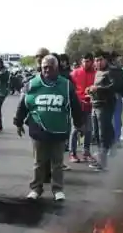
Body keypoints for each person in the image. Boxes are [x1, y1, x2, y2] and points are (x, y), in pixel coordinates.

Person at [13, 54, 84, 201]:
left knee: (57, 163)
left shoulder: (66, 85)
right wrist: (18, 122)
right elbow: (23, 104)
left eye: (50, 67)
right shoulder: (32, 84)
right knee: (39, 162)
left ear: (56, 68)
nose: (46, 70)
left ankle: (57, 189)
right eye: (44, 67)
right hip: (38, 130)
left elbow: (75, 107)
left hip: (59, 130)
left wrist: (79, 124)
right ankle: (36, 189)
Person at [86, 50, 123, 171]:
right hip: (95, 104)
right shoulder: (98, 72)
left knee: (103, 133)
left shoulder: (112, 71)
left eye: (100, 60)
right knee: (97, 134)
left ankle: (103, 161)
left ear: (106, 60)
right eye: (96, 60)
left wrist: (97, 89)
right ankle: (101, 158)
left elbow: (114, 87)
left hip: (106, 105)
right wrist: (90, 90)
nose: (97, 63)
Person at [68, 52, 95, 163]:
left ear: (91, 61)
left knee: (88, 130)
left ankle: (86, 152)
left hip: (89, 105)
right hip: (77, 105)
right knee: (75, 130)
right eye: (83, 61)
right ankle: (72, 153)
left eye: (87, 61)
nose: (85, 63)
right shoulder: (75, 73)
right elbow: (71, 89)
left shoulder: (95, 73)